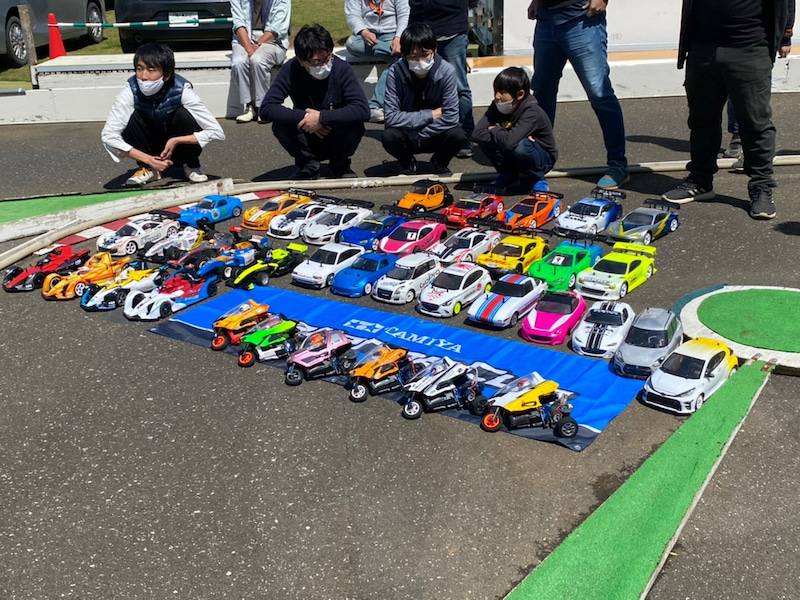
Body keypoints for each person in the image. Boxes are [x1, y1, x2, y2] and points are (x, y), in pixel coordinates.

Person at [662, 0, 794, 220]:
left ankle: (761, 186)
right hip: (702, 48)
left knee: (755, 123)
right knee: (701, 119)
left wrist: (786, 34)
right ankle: (700, 181)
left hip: (750, 48)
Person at [528, 0, 629, 190]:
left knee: (600, 94)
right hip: (546, 19)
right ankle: (538, 163)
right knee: (542, 93)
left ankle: (618, 165)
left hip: (582, 19)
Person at [101, 43, 225, 187]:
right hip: (148, 145)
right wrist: (148, 159)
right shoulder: (129, 91)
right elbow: (108, 136)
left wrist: (176, 140)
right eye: (140, 69)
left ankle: (191, 164)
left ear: (167, 75)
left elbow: (217, 132)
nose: (144, 76)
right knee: (129, 117)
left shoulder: (182, 90)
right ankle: (148, 168)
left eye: (151, 70)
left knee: (184, 115)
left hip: (178, 145)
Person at [260, 24, 370, 180]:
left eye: (327, 59)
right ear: (301, 60)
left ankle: (340, 165)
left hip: (335, 133)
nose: (323, 66)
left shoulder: (341, 69)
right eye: (316, 62)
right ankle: (308, 165)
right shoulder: (290, 69)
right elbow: (267, 108)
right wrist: (304, 118)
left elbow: (362, 109)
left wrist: (322, 118)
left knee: (354, 124)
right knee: (280, 125)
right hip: (306, 134)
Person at [381, 22, 466, 177]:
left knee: (458, 135)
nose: (420, 61)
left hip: (433, 133)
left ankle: (440, 162)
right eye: (413, 56)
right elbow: (390, 116)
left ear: (434, 50)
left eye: (424, 55)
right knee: (389, 136)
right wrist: (430, 115)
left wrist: (418, 134)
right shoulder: (395, 73)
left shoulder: (447, 71)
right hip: (407, 134)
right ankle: (407, 163)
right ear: (404, 55)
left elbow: (451, 117)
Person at [472, 66, 558, 193]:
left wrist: (495, 130)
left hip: (542, 157)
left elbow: (509, 142)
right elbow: (477, 134)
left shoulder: (531, 111)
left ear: (520, 94)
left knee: (520, 145)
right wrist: (507, 136)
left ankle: (537, 178)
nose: (497, 96)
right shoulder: (497, 105)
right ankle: (508, 175)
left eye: (502, 92)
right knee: (486, 142)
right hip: (513, 151)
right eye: (496, 91)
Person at [408, 0, 475, 158]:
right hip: (420, 28)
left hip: (452, 30)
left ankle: (464, 136)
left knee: (459, 88)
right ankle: (421, 134)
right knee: (417, 84)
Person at [345, 0, 409, 123]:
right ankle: (399, 53)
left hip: (392, 34)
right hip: (365, 36)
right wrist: (363, 31)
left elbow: (404, 14)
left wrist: (398, 37)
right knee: (352, 44)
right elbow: (352, 15)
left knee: (396, 62)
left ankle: (375, 105)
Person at [229, 0, 291, 123]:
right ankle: (249, 106)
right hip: (244, 38)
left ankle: (263, 107)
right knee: (238, 62)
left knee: (258, 60)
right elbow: (238, 24)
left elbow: (277, 28)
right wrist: (249, 48)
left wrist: (256, 45)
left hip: (273, 40)